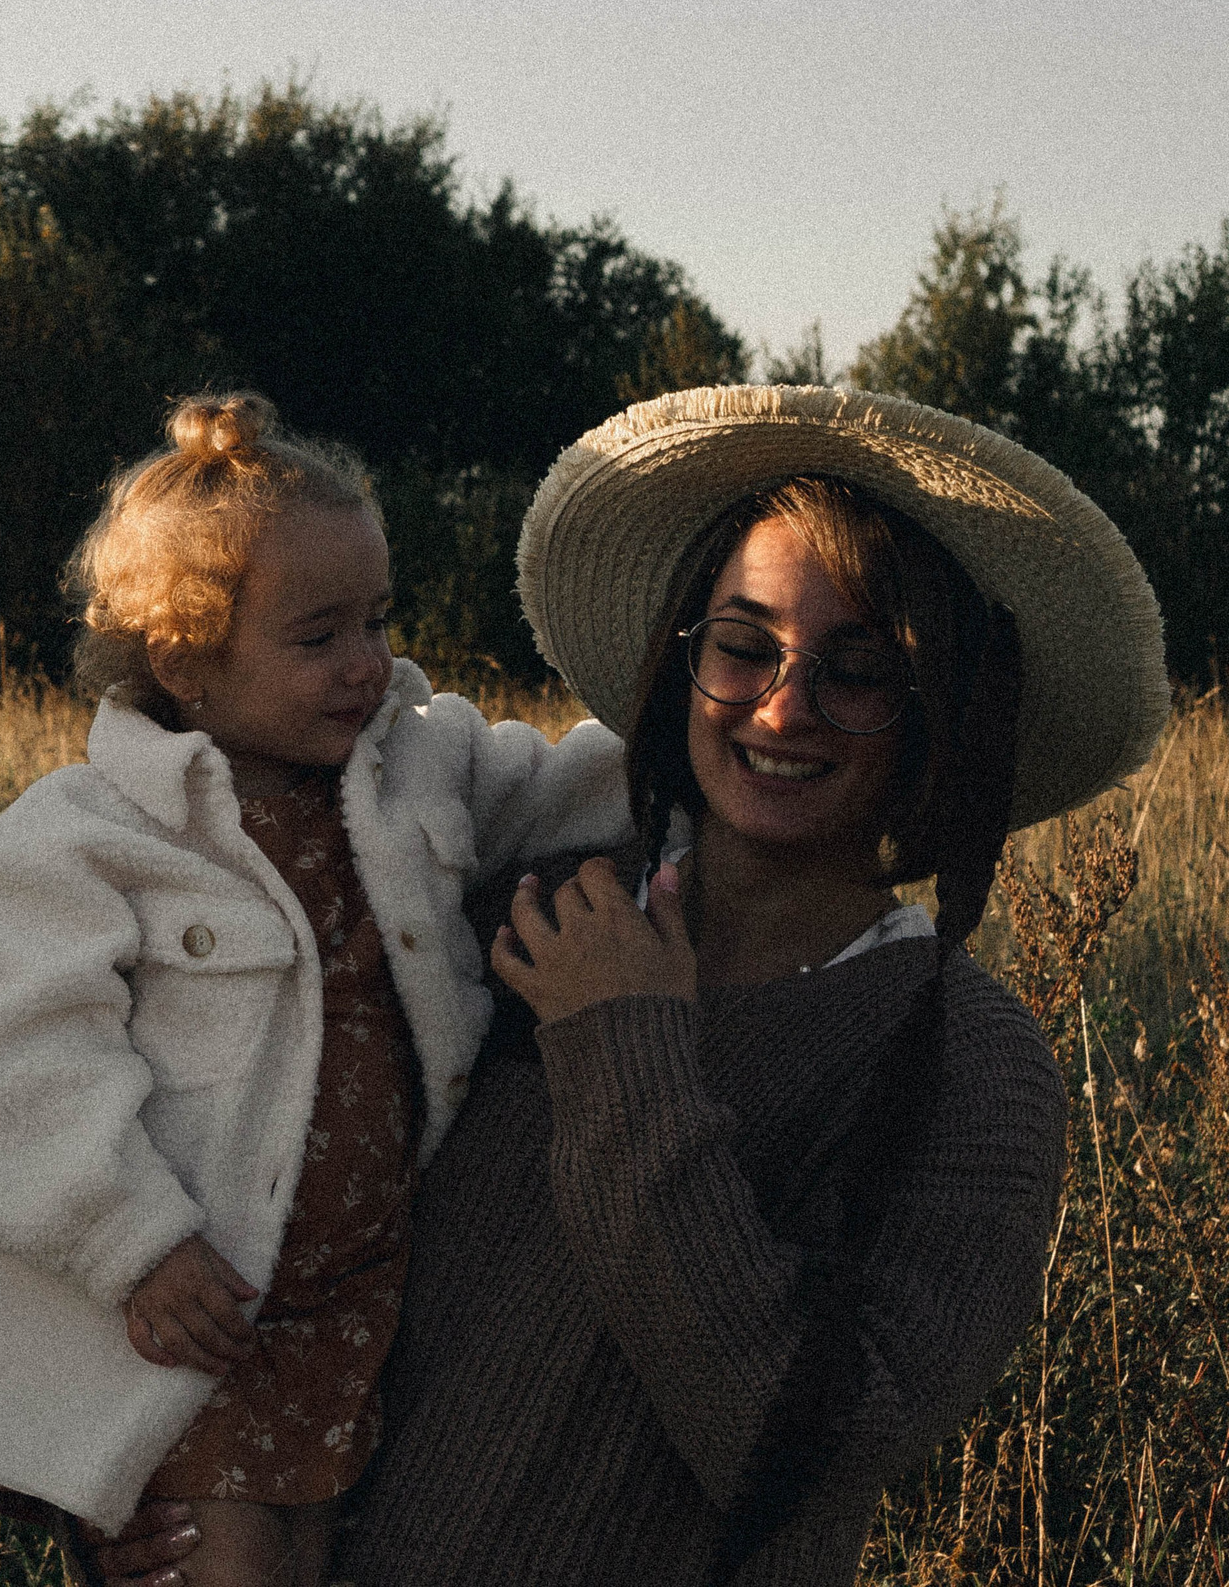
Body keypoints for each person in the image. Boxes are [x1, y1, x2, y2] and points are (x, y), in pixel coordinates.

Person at [92, 383, 1167, 1586]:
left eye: (858, 670)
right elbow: (239, 1176)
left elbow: (804, 1450)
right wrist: (144, 1482)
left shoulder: (962, 1066)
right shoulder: (512, 907)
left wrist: (621, 1042)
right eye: (743, 644)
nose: (782, 705)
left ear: (942, 716)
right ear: (681, 659)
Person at [0, 394, 630, 1585]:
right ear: (186, 658)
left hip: (359, 1315)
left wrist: (688, 747)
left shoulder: (414, 762)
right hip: (184, 1318)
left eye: (377, 620)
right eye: (318, 637)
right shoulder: (86, 840)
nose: (366, 663)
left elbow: (563, 788)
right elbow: (8, 1058)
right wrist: (130, 1238)